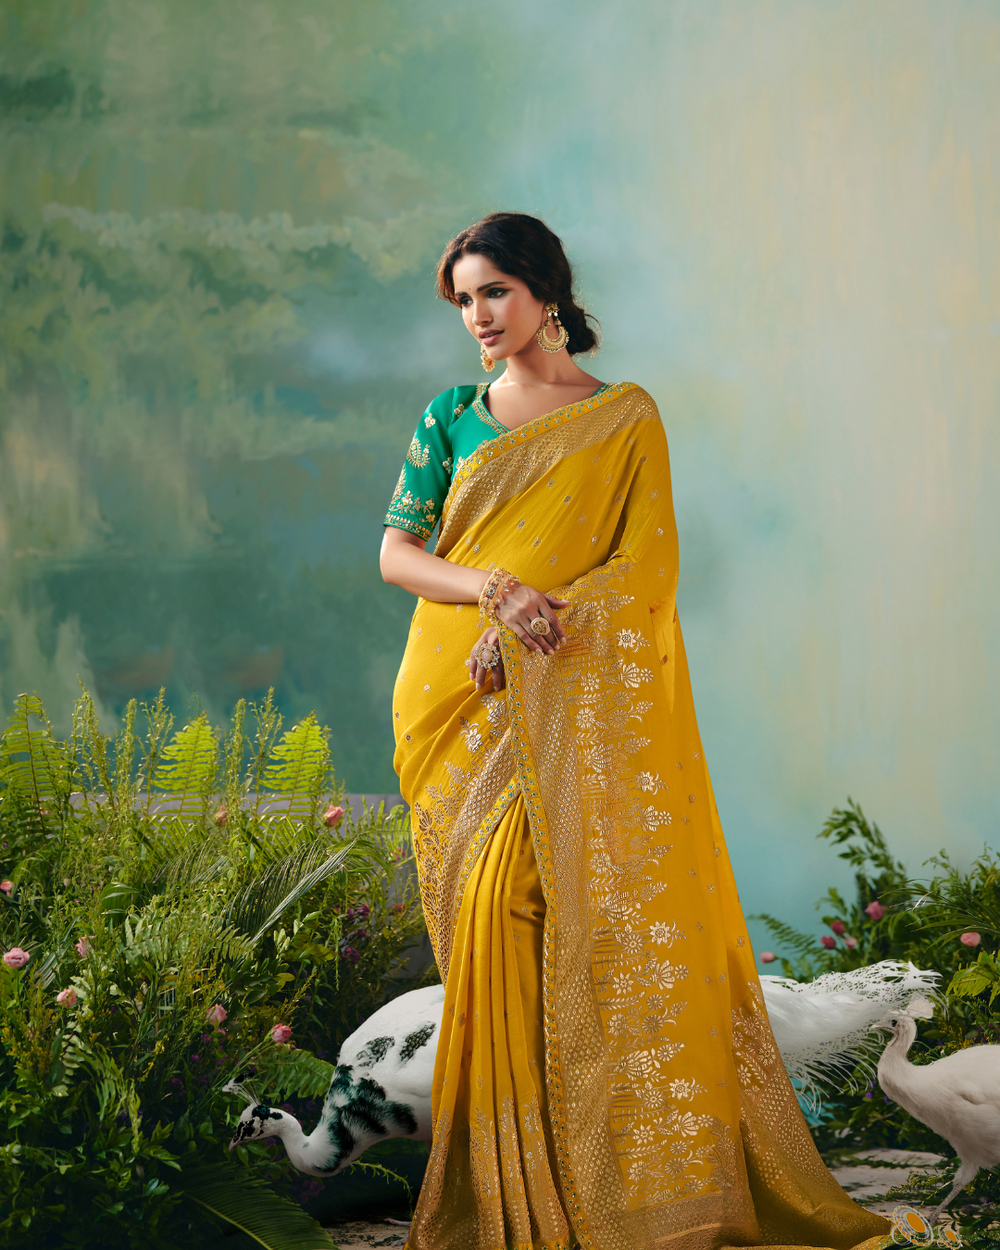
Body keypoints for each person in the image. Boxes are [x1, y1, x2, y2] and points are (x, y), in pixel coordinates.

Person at [380, 212, 888, 1250]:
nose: (477, 316)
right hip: (457, 701)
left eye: (493, 291)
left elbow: (644, 573)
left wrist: (535, 633)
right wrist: (496, 594)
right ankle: (512, 1191)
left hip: (565, 696)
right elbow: (398, 553)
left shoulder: (621, 418)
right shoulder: (450, 416)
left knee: (556, 917)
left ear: (546, 292)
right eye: (463, 299)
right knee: (486, 925)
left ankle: (601, 1186)